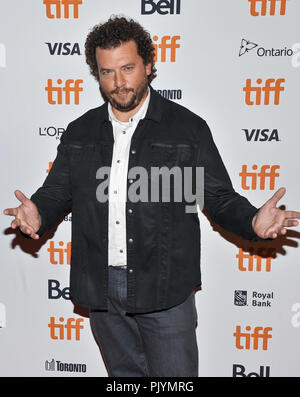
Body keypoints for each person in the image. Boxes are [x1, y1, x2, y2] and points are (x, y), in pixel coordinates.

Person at [3, 16, 300, 377]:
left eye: (127, 68)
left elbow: (219, 198)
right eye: (107, 72)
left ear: (148, 64)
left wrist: (253, 221)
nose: (119, 83)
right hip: (102, 287)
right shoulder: (80, 132)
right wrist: (36, 215)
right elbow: (53, 194)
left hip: (165, 287)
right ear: (97, 73)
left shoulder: (186, 128)